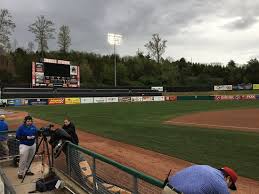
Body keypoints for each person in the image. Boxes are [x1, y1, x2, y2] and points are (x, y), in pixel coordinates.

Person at [162, 165, 238, 194]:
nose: (227, 187)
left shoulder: (203, 166)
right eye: (229, 185)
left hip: (166, 189)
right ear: (228, 178)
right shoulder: (221, 183)